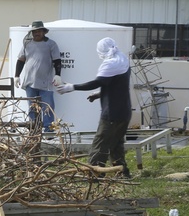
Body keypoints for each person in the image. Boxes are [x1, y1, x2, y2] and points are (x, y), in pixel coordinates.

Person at [56, 37, 133, 178]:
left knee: (100, 143)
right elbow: (116, 85)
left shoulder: (110, 64)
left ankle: (93, 174)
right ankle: (122, 172)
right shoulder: (122, 60)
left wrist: (72, 87)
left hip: (112, 112)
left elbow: (97, 82)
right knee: (116, 144)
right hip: (125, 111)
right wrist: (99, 94)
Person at [15, 20, 62, 132]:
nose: (37, 33)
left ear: (43, 32)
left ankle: (48, 130)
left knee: (48, 107)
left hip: (46, 82)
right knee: (32, 107)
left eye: (39, 31)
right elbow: (21, 60)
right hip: (30, 82)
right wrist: (16, 76)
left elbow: (57, 60)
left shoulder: (51, 44)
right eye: (35, 31)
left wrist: (58, 75)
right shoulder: (27, 44)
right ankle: (34, 129)